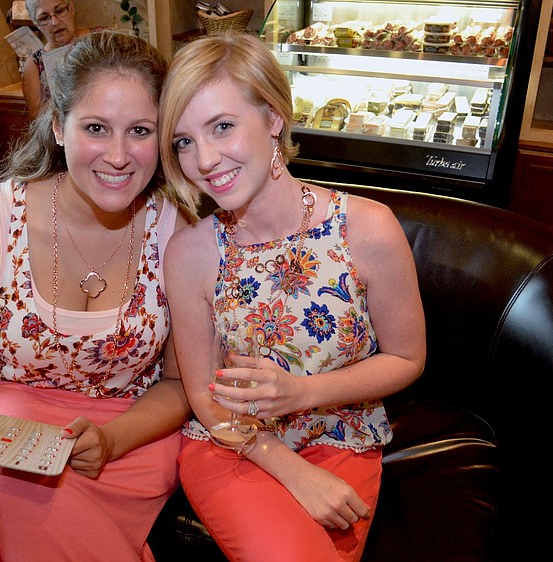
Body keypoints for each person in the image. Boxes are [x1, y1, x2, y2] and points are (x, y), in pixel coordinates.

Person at [0, 31, 193, 561]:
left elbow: (181, 383)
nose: (118, 156)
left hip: (132, 429)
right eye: (96, 128)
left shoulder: (180, 234)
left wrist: (113, 440)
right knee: (12, 492)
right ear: (57, 127)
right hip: (10, 422)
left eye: (139, 131)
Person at [159, 33, 427, 561]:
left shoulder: (367, 229)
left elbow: (407, 357)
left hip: (342, 438)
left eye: (222, 126)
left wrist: (302, 392)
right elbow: (204, 398)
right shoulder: (190, 252)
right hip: (233, 446)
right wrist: (288, 466)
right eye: (184, 141)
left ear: (274, 117)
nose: (204, 159)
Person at [22, 0, 105, 120]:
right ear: (36, 24)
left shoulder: (101, 39)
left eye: (60, 11)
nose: (55, 22)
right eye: (44, 18)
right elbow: (37, 122)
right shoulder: (34, 65)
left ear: (71, 8)